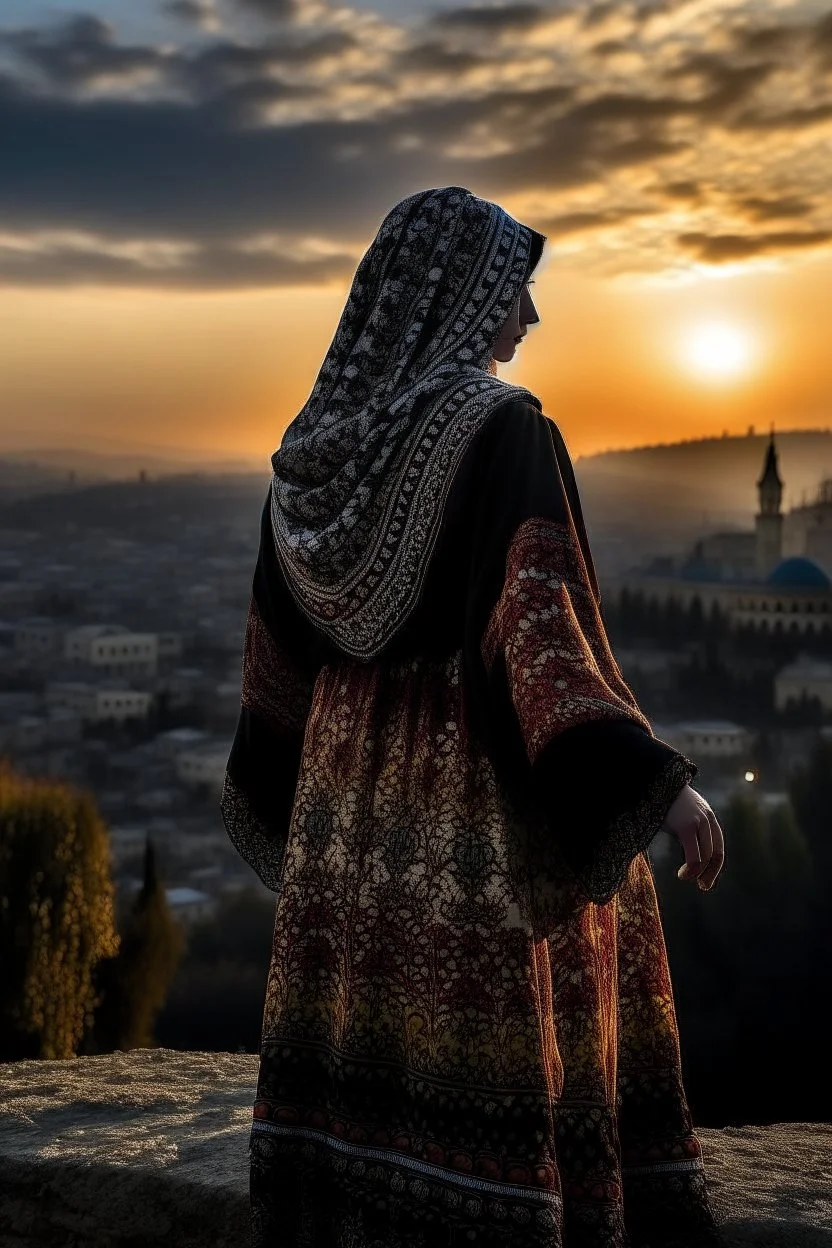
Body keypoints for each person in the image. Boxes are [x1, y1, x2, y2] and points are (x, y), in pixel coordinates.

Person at [221, 186, 726, 1248]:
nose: (528, 319)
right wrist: (651, 783)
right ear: (455, 296)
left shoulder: (312, 456)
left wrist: (287, 793)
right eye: (515, 290)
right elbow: (540, 636)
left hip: (348, 831)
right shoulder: (504, 430)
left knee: (370, 1074)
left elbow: (273, 669)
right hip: (466, 815)